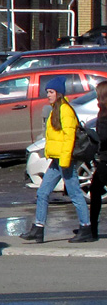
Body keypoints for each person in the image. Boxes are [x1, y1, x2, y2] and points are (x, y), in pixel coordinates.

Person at [20, 76, 96, 243]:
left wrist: (65, 160)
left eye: (51, 92)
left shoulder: (65, 110)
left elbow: (69, 138)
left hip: (64, 160)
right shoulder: (56, 109)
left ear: (59, 93)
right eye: (47, 92)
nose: (48, 95)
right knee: (42, 192)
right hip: (57, 159)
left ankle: (86, 228)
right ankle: (38, 228)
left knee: (75, 194)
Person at [90, 79, 107, 239]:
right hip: (103, 160)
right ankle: (91, 228)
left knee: (95, 192)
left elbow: (103, 136)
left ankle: (92, 229)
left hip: (105, 161)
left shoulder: (103, 114)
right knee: (95, 191)